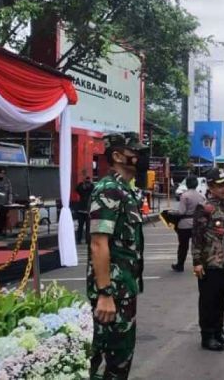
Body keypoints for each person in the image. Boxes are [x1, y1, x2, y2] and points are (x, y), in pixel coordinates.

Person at [87, 132, 148, 379]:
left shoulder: (125, 190)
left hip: (125, 289)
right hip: (112, 293)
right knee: (102, 361)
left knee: (120, 361)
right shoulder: (109, 190)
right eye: (136, 152)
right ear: (116, 155)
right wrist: (104, 294)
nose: (141, 158)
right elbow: (98, 244)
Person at [192, 168, 224, 351]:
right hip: (209, 262)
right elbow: (196, 237)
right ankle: (208, 335)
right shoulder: (204, 208)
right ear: (211, 187)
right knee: (208, 300)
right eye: (220, 186)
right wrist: (197, 262)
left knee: (221, 298)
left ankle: (219, 332)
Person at [171, 175, 206, 272]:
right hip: (198, 224)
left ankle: (180, 265)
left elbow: (181, 212)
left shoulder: (184, 195)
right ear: (196, 184)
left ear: (187, 184)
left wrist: (173, 213)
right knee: (198, 246)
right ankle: (199, 264)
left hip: (184, 225)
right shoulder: (201, 196)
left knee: (183, 246)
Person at [76, 175, 95, 244]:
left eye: (88, 182)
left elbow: (94, 189)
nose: (87, 184)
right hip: (81, 210)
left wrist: (90, 182)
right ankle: (79, 239)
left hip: (88, 210)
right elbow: (77, 189)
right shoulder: (82, 188)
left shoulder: (92, 189)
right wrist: (83, 182)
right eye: (86, 182)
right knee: (80, 226)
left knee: (88, 227)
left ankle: (88, 240)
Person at [0, 168, 12, 236]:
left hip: (5, 203)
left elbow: (10, 192)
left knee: (3, 216)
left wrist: (10, 200)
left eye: (4, 173)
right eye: (1, 173)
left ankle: (2, 231)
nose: (2, 174)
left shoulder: (7, 181)